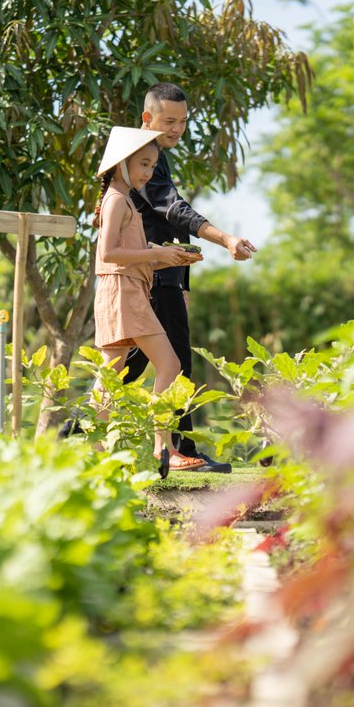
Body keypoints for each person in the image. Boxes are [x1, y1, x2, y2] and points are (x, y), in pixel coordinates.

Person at [122, 82, 257, 474]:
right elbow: (172, 209)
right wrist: (225, 238)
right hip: (152, 275)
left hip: (165, 276)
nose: (177, 129)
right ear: (147, 119)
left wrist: (181, 282)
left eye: (182, 121)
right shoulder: (141, 158)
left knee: (130, 365)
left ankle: (76, 432)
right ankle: (179, 451)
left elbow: (164, 218)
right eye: (168, 121)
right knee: (175, 362)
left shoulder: (155, 157)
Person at [90, 125, 203, 476]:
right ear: (121, 163)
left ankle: (94, 452)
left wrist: (165, 255)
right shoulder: (118, 201)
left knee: (109, 375)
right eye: (142, 164)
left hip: (121, 290)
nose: (148, 173)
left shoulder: (118, 199)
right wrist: (157, 257)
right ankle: (162, 447)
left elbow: (124, 252)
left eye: (152, 166)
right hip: (124, 291)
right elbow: (109, 253)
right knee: (168, 365)